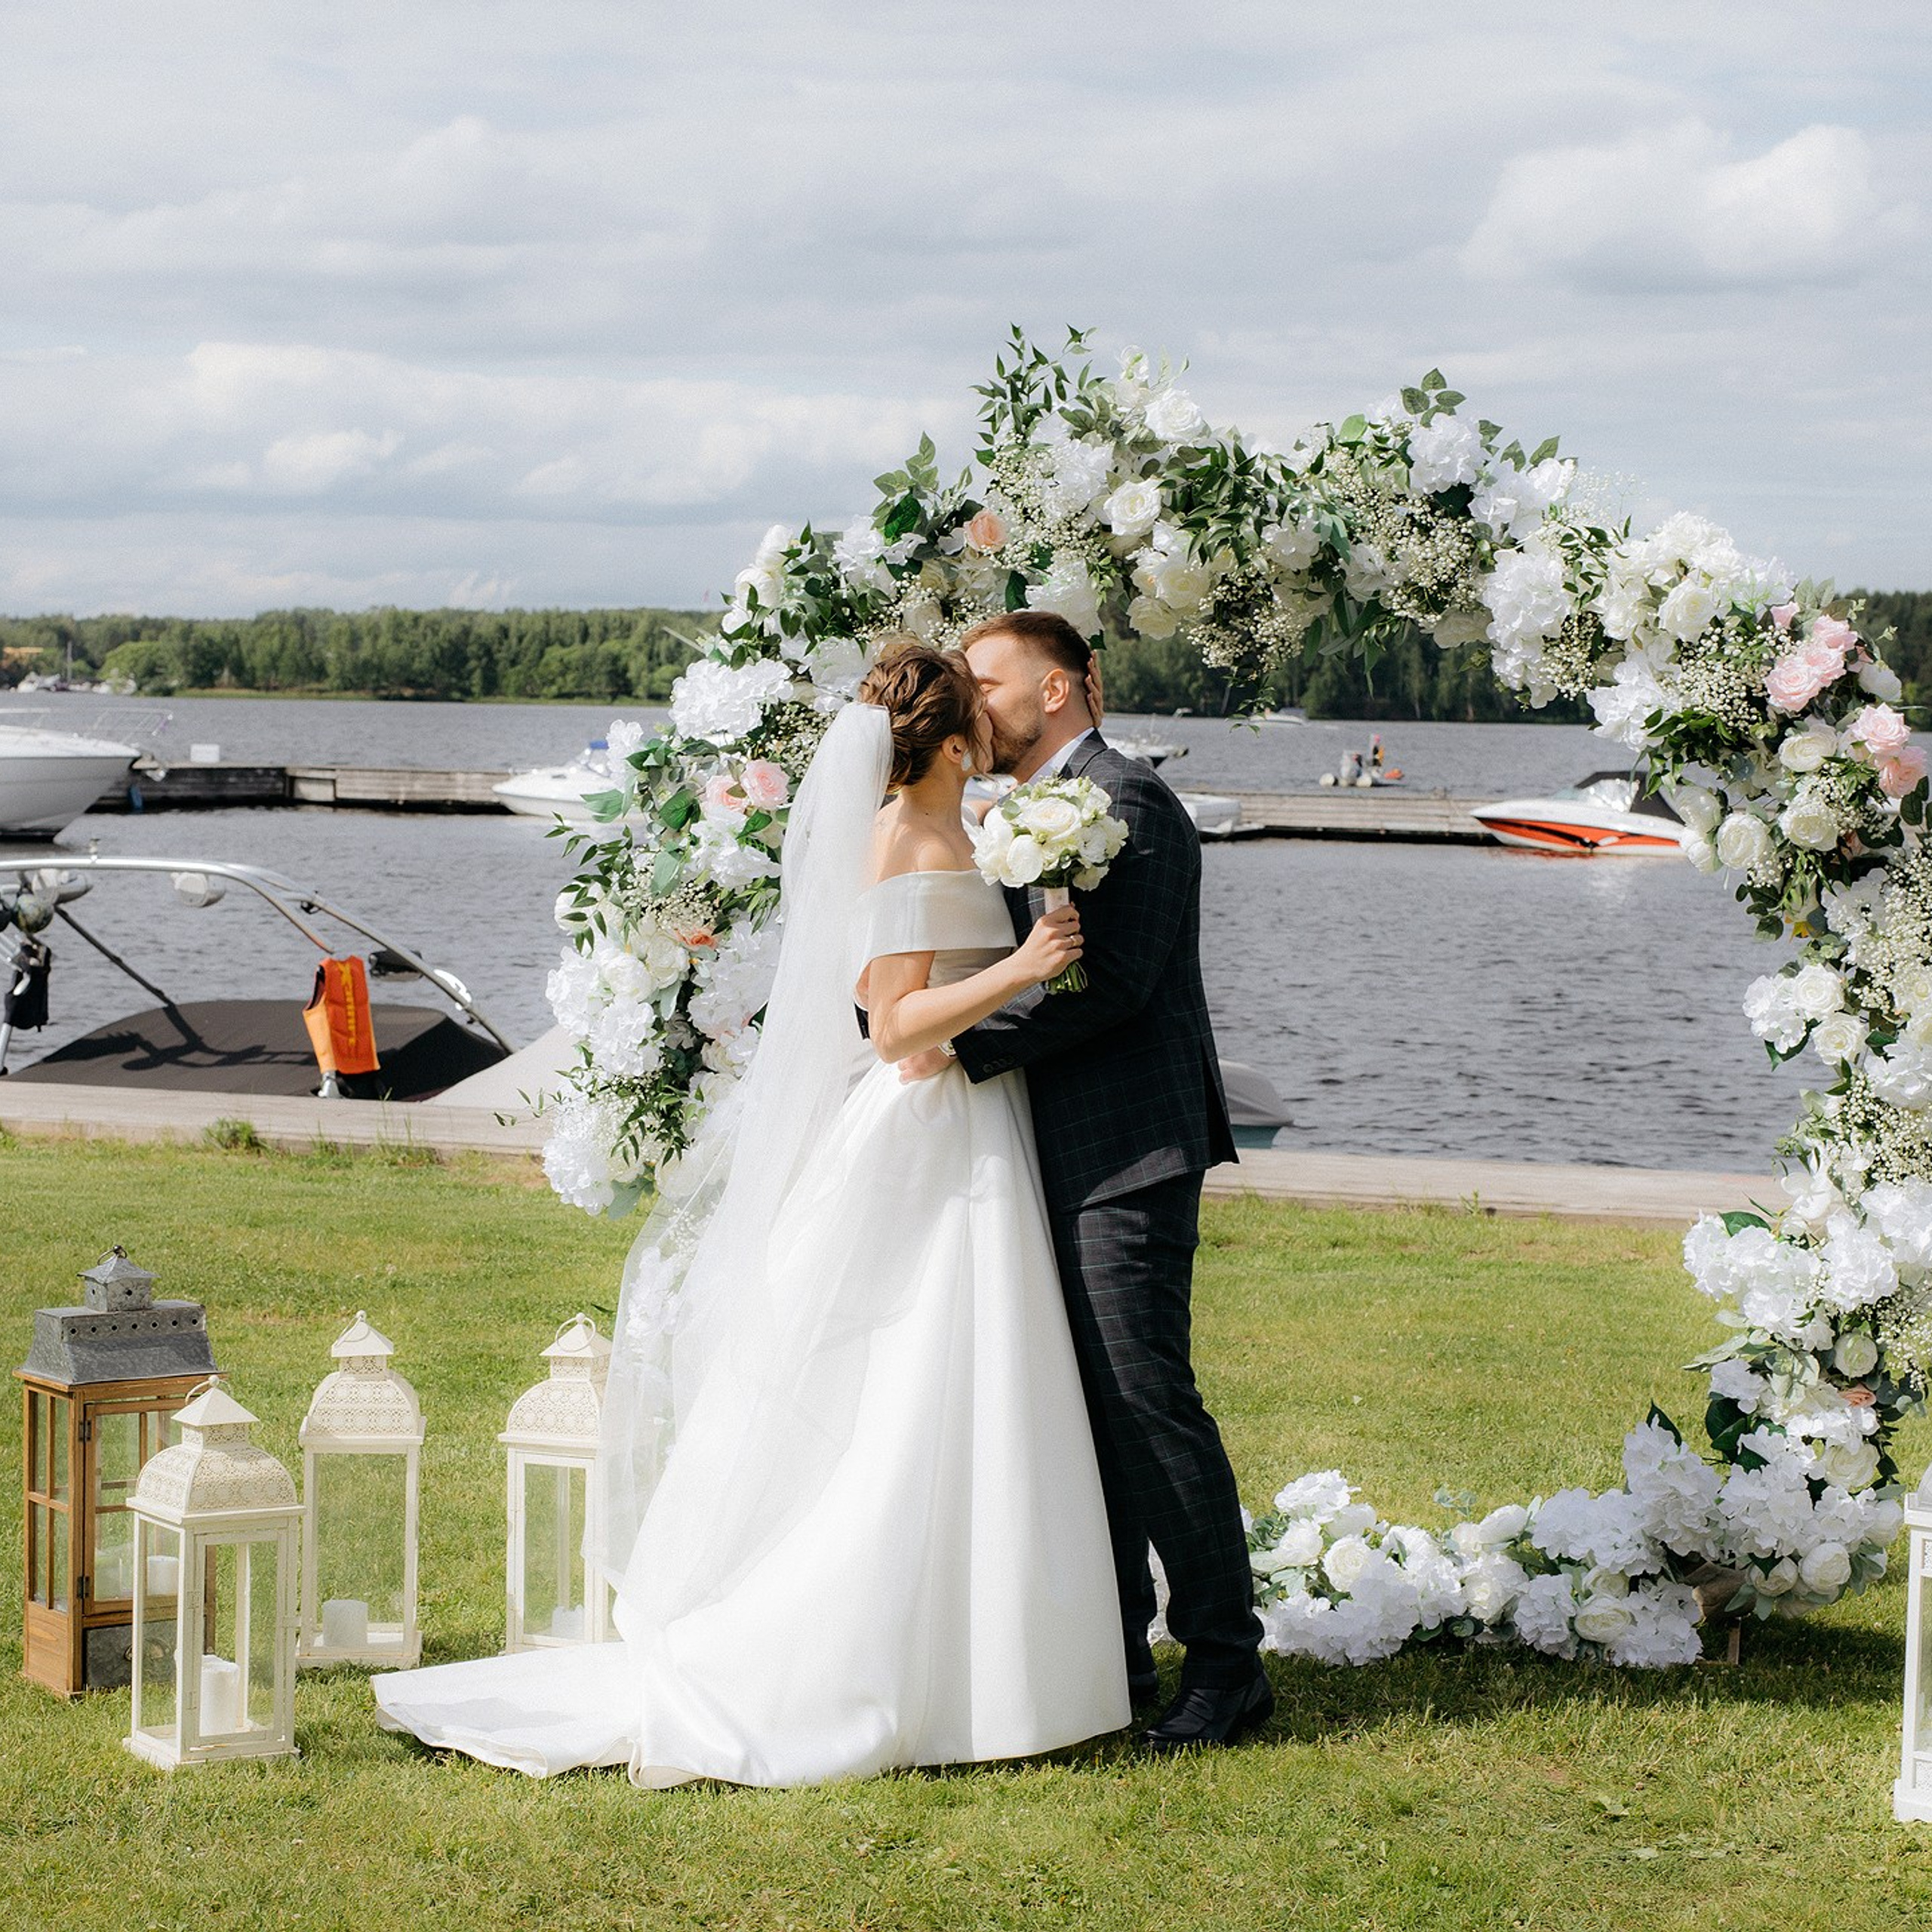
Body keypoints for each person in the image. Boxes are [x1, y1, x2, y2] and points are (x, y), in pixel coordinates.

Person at [372, 640, 1131, 1783]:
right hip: (927, 1137)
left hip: (981, 1134)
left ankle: (994, 1663)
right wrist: (1022, 968)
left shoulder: (966, 829)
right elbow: (896, 1031)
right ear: (949, 731)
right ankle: (866, 1658)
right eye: (977, 706)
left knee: (975, 1388)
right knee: (905, 1390)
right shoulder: (906, 839)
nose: (993, 721)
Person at [924, 610, 1270, 1752]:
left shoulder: (1128, 804)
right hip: (1049, 1149)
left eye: (991, 680)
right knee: (1080, 1415)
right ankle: (1111, 1655)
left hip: (1128, 1151)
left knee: (1145, 1401)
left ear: (1061, 690)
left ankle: (1227, 1671)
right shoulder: (1027, 809)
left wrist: (953, 1049)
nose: (976, 701)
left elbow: (1112, 984)